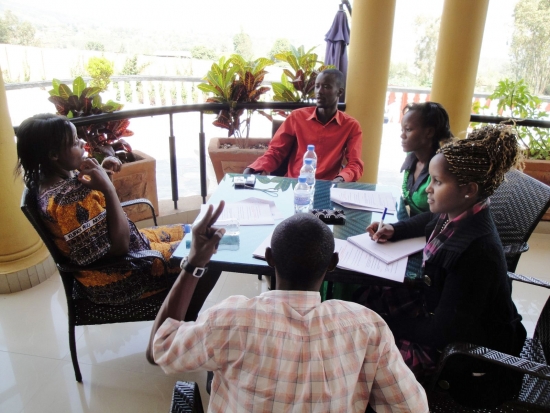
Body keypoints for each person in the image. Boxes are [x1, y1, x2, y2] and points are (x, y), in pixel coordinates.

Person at [147, 210, 429, 412]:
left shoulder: (230, 320)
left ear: (269, 258)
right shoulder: (367, 326)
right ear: (332, 264)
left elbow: (158, 348)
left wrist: (195, 261)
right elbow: (410, 406)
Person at [364, 124, 526, 407]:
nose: (428, 188)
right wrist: (395, 229)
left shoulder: (476, 251)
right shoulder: (460, 211)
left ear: (468, 189)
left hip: (465, 356)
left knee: (363, 351)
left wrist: (382, 324)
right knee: (367, 294)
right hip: (442, 311)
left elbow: (442, 332)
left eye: (437, 182)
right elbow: (429, 220)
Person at [15, 114, 220, 316]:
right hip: (120, 277)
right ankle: (181, 319)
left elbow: (96, 217)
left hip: (129, 254)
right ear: (53, 155)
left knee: (192, 232)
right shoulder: (69, 200)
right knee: (210, 253)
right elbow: (119, 248)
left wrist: (105, 175)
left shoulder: (46, 185)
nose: (83, 142)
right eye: (75, 141)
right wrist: (108, 189)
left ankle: (182, 311)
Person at [244, 69, 363, 182]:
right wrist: (253, 168)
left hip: (327, 187)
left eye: (326, 87)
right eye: (317, 86)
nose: (319, 92)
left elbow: (355, 164)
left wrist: (340, 179)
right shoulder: (297, 117)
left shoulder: (351, 126)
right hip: (295, 184)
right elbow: (276, 152)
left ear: (339, 92)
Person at [399, 102, 452, 216]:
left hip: (430, 230)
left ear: (429, 132)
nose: (402, 135)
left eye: (408, 130)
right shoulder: (412, 156)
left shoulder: (442, 167)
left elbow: (440, 216)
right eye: (402, 130)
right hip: (410, 224)